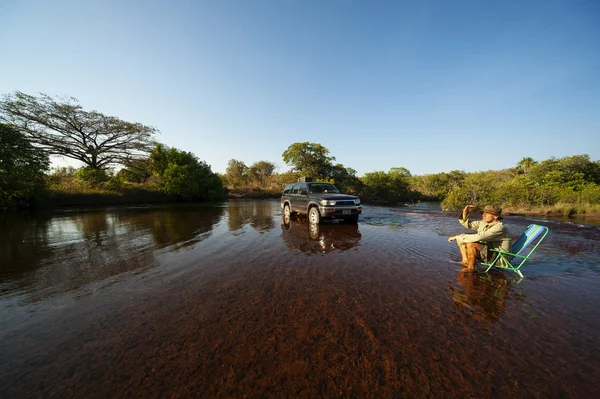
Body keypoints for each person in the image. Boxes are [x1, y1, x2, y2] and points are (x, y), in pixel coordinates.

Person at [448, 204, 511, 271]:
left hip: (499, 260)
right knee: (463, 236)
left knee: (471, 243)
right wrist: (465, 212)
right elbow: (468, 224)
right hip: (489, 253)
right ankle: (465, 261)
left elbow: (480, 237)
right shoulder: (483, 223)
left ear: (495, 216)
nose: (483, 215)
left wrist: (457, 237)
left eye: (487, 213)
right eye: (483, 213)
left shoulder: (500, 228)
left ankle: (470, 269)